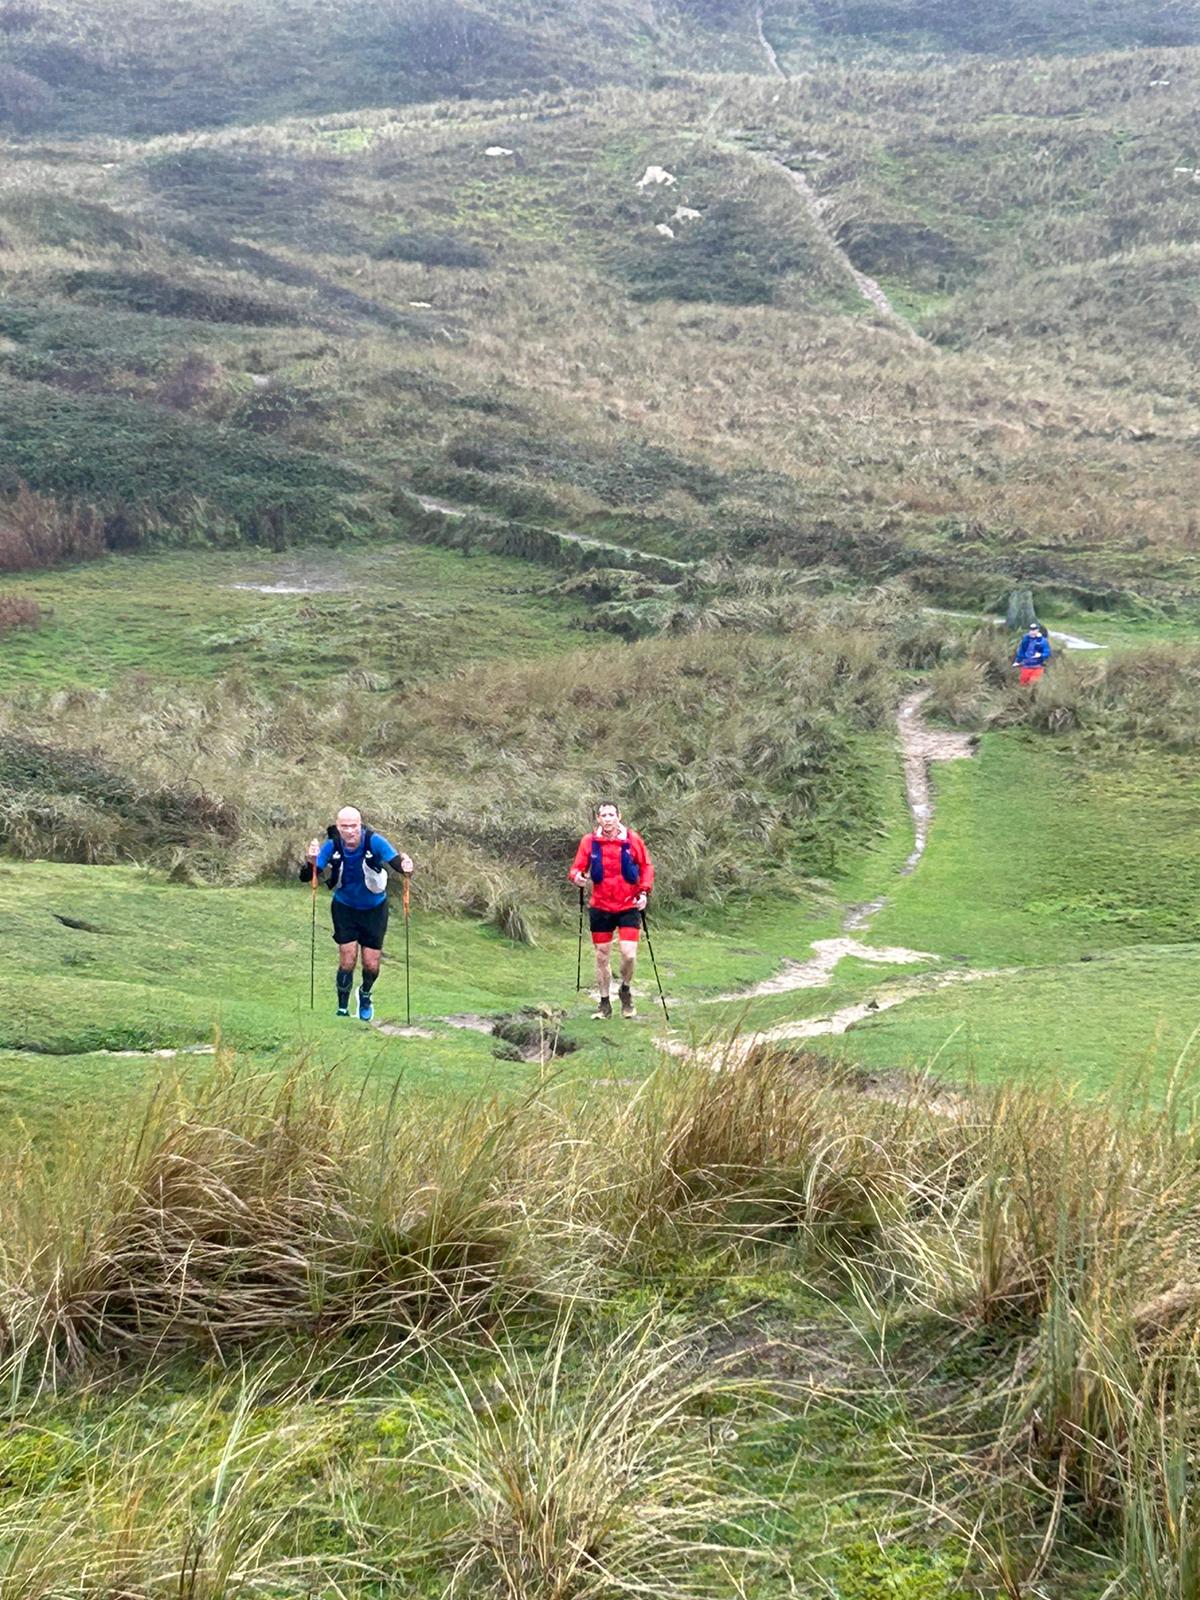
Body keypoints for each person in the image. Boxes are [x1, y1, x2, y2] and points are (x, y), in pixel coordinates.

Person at [303, 807, 413, 1021]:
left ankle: (365, 994)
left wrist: (406, 866)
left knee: (371, 964)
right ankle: (342, 1009)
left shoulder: (375, 841)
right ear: (338, 827)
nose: (349, 831)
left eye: (353, 826)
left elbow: (397, 863)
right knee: (347, 959)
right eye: (344, 826)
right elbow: (309, 875)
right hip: (344, 907)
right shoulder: (332, 845)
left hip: (375, 910)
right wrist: (311, 861)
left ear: (360, 825)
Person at [569, 801, 655, 1020]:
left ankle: (625, 989)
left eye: (611, 815)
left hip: (628, 904)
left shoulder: (632, 839)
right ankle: (604, 1003)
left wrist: (644, 891)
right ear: (598, 819)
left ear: (619, 816)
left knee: (629, 954)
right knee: (602, 956)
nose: (608, 819)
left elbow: (646, 866)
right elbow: (577, 868)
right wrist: (577, 877)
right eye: (604, 815)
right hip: (600, 906)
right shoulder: (589, 841)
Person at [1013, 621, 1052, 685]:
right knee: (1023, 684)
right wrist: (1018, 661)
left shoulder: (1043, 641)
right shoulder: (1025, 639)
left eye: (1034, 630)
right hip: (1026, 666)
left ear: (1038, 630)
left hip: (1038, 667)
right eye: (1031, 630)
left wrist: (1041, 655)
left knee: (1033, 683)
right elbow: (1021, 651)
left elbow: (1047, 652)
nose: (1032, 632)